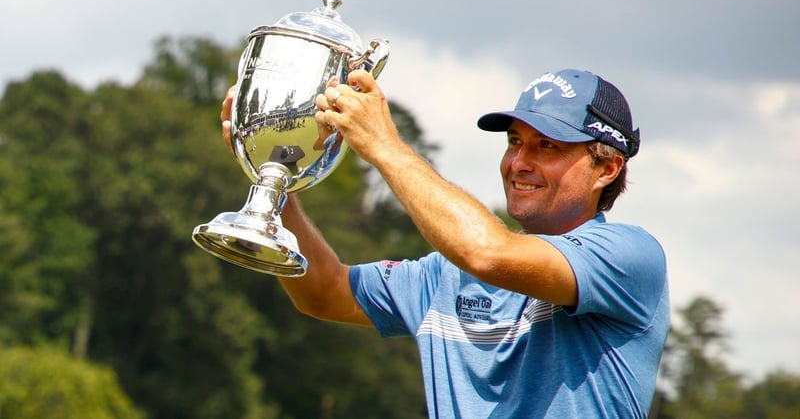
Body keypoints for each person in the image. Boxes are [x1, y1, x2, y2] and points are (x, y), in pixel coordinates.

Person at [219, 68, 670, 418]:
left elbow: (488, 254)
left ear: (607, 169)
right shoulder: (447, 274)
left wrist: (383, 145)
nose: (518, 162)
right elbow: (324, 291)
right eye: (515, 142)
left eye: (547, 147)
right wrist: (274, 173)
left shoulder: (630, 256)